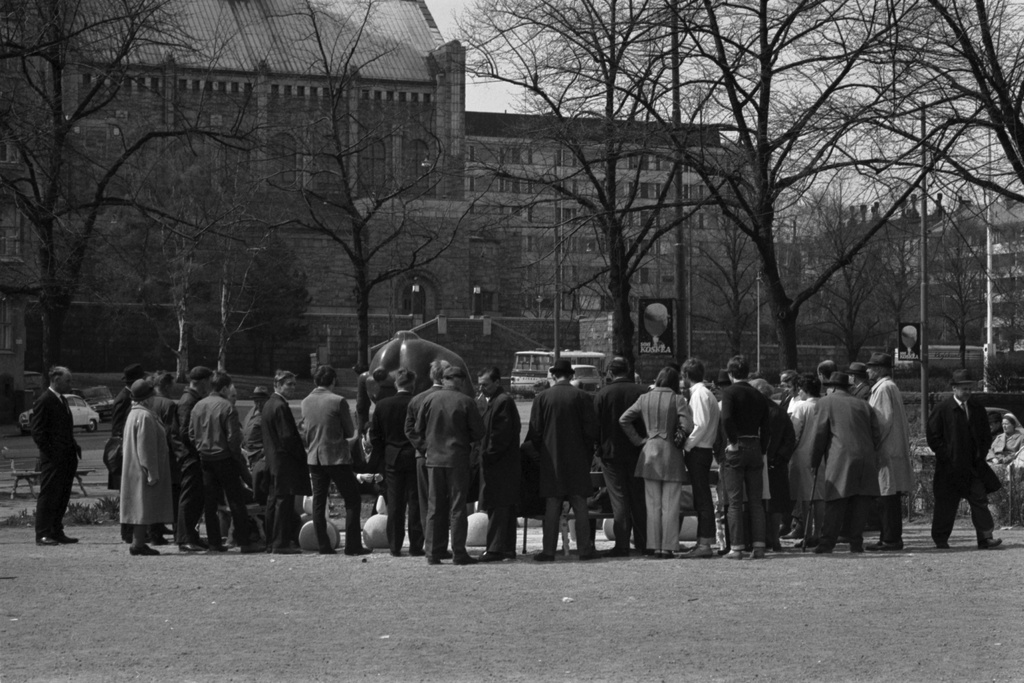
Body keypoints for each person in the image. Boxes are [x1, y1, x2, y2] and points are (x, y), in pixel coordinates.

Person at [407, 365, 485, 565]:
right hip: (457, 458)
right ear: (458, 380)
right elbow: (478, 432)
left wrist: (427, 446)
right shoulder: (466, 401)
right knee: (458, 507)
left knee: (434, 507)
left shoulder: (429, 400)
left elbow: (417, 428)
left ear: (443, 380)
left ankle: (432, 552)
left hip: (433, 460)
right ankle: (459, 552)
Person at [526, 359, 600, 562]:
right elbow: (591, 431)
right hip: (577, 459)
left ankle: (548, 550)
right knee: (580, 505)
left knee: (552, 505)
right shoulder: (583, 397)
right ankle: (585, 549)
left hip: (552, 460)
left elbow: (535, 433)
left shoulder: (542, 398)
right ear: (571, 375)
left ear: (553, 375)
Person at [619, 366, 693, 558]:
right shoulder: (678, 400)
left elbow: (624, 419)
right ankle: (667, 546)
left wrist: (639, 440)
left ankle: (654, 545)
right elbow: (688, 425)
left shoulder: (644, 398)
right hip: (671, 454)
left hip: (649, 453)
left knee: (652, 505)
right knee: (671, 504)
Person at [926, 370, 1003, 550]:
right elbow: (933, 436)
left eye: (970, 388)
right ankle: (941, 539)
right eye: (964, 388)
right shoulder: (943, 409)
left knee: (979, 500)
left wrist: (981, 454)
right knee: (946, 504)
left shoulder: (977, 408)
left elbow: (985, 434)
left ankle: (985, 537)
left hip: (973, 466)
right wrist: (946, 455)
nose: (967, 391)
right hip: (949, 468)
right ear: (954, 388)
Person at [809, 372, 881, 554]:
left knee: (836, 500)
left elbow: (819, 435)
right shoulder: (863, 404)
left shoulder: (825, 403)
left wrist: (814, 460)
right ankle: (856, 542)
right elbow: (876, 435)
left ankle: (827, 542)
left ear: (830, 387)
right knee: (860, 502)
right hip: (865, 457)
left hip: (841, 456)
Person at [189, 372, 261, 553]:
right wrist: (236, 457)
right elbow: (233, 437)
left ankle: (214, 542)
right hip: (225, 457)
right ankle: (244, 541)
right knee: (235, 500)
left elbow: (191, 433)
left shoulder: (198, 406)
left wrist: (201, 446)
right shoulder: (227, 407)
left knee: (210, 503)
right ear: (223, 388)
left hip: (205, 458)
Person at [302, 364, 370, 556]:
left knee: (319, 501)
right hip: (335, 456)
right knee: (352, 500)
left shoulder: (306, 401)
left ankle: (323, 545)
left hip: (314, 457)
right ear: (332, 381)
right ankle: (353, 545)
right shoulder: (338, 400)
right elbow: (349, 432)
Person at [718, 355, 772, 559]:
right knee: (756, 501)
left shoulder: (729, 392)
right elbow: (766, 426)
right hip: (756, 445)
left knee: (734, 501)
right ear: (748, 373)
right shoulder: (758, 395)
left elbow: (727, 418)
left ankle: (737, 547)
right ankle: (759, 546)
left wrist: (732, 441)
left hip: (737, 446)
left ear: (731, 374)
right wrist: (763, 447)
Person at [593, 357, 648, 557]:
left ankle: (622, 544)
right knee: (638, 498)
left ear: (610, 373)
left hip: (611, 454)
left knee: (619, 500)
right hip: (638, 451)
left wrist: (598, 448)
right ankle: (643, 542)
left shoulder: (602, 394)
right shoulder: (642, 392)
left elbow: (595, 426)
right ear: (628, 370)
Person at [370, 368, 424, 557]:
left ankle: (394, 544)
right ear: (413, 384)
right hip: (414, 454)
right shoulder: (418, 403)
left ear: (396, 384)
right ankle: (416, 545)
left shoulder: (382, 405)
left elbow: (375, 435)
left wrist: (381, 457)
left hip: (392, 455)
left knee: (394, 503)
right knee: (415, 501)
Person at [120, 379, 174, 556]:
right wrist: (151, 471)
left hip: (134, 468)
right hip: (142, 469)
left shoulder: (134, 414)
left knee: (139, 506)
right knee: (142, 506)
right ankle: (138, 544)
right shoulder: (145, 416)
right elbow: (146, 447)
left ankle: (138, 541)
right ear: (147, 398)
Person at [865, 352, 914, 551]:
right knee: (889, 496)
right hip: (892, 449)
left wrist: (872, 444)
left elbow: (882, 421)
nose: (867, 370)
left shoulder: (884, 389)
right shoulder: (889, 387)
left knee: (887, 496)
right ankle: (889, 536)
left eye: (870, 367)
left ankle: (890, 538)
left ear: (879, 369)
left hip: (886, 450)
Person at [30, 366, 82, 546]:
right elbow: (38, 432)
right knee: (49, 494)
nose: (70, 384)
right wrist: (51, 453)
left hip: (66, 456)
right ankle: (43, 533)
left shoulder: (62, 400)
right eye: (68, 381)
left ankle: (56, 530)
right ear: (56, 380)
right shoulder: (45, 400)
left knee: (62, 494)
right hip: (53, 458)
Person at [263, 370, 312, 554]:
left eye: (293, 384)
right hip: (284, 461)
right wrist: (301, 453)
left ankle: (271, 541)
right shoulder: (281, 406)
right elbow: (287, 437)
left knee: (273, 502)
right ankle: (280, 543)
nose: (292, 388)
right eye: (288, 384)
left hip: (273, 460)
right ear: (278, 385)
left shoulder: (269, 404)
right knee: (283, 503)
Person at [405, 359, 451, 557]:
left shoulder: (417, 399)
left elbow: (409, 429)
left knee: (426, 502)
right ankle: (440, 544)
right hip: (445, 455)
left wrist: (423, 448)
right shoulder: (452, 397)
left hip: (423, 456)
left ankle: (430, 544)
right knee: (444, 502)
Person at [476, 366, 522, 562]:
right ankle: (506, 548)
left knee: (498, 506)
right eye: (480, 385)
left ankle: (495, 548)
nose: (481, 389)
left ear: (497, 382)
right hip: (502, 464)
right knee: (504, 508)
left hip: (500, 465)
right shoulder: (498, 401)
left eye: (485, 385)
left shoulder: (502, 402)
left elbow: (499, 436)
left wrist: (486, 456)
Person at [680, 358, 719, 558]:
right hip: (703, 449)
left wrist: (686, 445)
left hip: (698, 450)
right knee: (702, 497)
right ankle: (703, 541)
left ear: (686, 375)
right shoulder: (706, 393)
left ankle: (704, 543)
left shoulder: (699, 395)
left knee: (702, 498)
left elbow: (700, 425)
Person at [754, 378, 795, 552]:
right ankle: (775, 539)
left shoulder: (756, 411)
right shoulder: (779, 411)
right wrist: (780, 458)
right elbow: (790, 439)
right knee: (776, 504)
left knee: (759, 502)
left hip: (759, 461)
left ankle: (762, 538)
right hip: (776, 464)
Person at [176, 366, 212, 552]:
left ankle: (192, 535)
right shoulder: (188, 401)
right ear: (203, 381)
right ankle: (185, 537)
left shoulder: (192, 399)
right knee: (189, 497)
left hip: (192, 455)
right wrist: (198, 450)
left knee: (196, 498)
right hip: (190, 456)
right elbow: (184, 432)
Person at [146, 371, 184, 546]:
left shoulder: (148, 402)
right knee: (175, 495)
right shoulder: (169, 404)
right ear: (167, 386)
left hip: (151, 455)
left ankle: (154, 531)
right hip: (168, 456)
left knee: (154, 495)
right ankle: (178, 532)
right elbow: (171, 432)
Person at [111, 363, 147, 543]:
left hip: (129, 448)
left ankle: (133, 531)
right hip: (126, 451)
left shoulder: (127, 396)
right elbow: (117, 428)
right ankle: (128, 533)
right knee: (128, 493)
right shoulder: (124, 398)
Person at [788, 373, 823, 546]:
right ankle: (819, 532)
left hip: (803, 454)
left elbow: (794, 433)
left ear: (805, 390)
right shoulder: (825, 405)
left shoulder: (801, 407)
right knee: (820, 496)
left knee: (805, 497)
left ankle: (807, 533)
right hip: (823, 455)